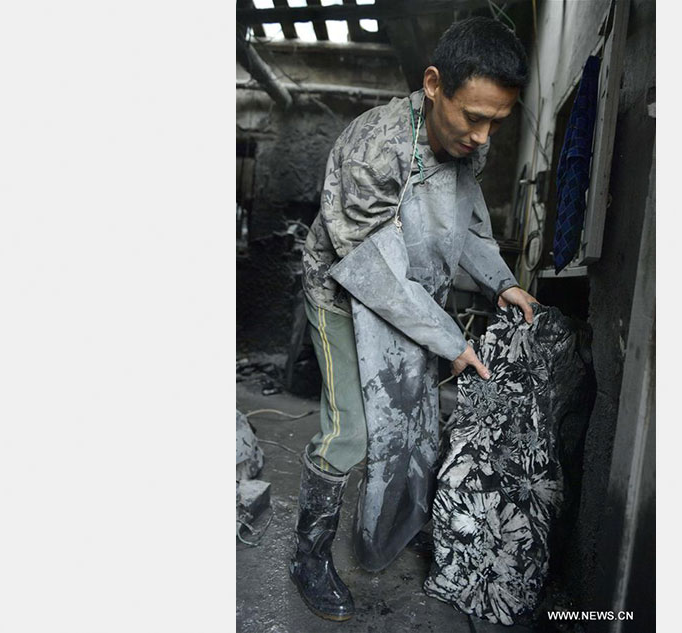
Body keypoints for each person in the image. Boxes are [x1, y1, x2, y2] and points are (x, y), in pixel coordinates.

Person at [290, 16, 538, 622]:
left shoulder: (464, 146)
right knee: (352, 429)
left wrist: (500, 280)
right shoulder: (376, 148)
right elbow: (369, 270)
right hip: (344, 290)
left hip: (410, 296)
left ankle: (399, 523)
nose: (481, 137)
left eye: (496, 122)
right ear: (433, 85)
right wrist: (450, 340)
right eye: (472, 117)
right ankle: (309, 553)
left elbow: (468, 225)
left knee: (417, 424)